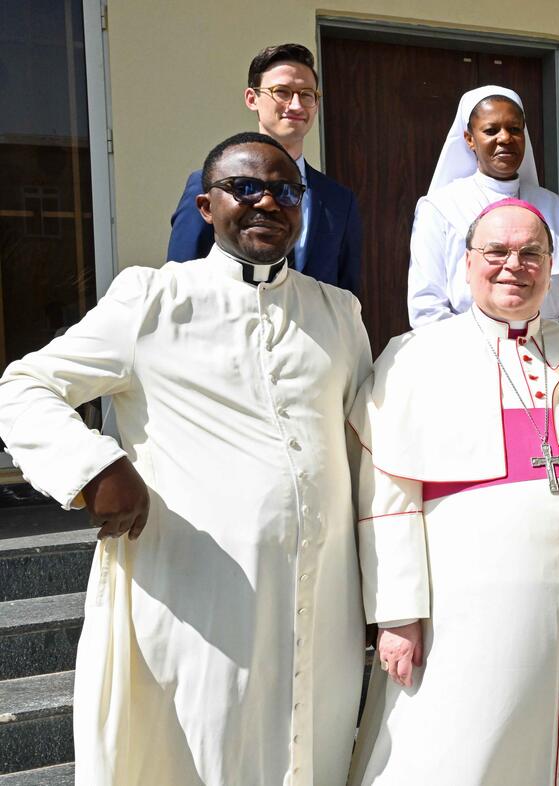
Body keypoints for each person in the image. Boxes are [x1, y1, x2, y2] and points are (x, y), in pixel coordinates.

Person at [0, 132, 372, 786]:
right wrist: (93, 468)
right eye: (245, 188)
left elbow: (368, 442)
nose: (266, 202)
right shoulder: (152, 301)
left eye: (285, 191)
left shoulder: (337, 313)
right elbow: (24, 385)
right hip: (203, 600)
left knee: (318, 754)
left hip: (325, 603)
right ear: (206, 207)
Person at [347, 197, 559, 785]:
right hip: (462, 615)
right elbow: (388, 500)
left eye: (531, 253)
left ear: (550, 266)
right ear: (467, 263)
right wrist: (398, 614)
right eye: (496, 251)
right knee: (458, 742)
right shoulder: (415, 358)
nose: (513, 264)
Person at [167, 43, 363, 294]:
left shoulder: (338, 200)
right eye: (282, 92)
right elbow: (181, 280)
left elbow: (346, 293)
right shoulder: (213, 182)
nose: (296, 105)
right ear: (252, 98)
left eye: (306, 94)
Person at [406, 85, 559, 329]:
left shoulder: (554, 209)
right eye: (491, 130)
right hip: (464, 354)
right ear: (469, 139)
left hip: (548, 355)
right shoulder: (440, 208)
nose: (505, 138)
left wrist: (557, 355)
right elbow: (426, 306)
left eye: (514, 129)